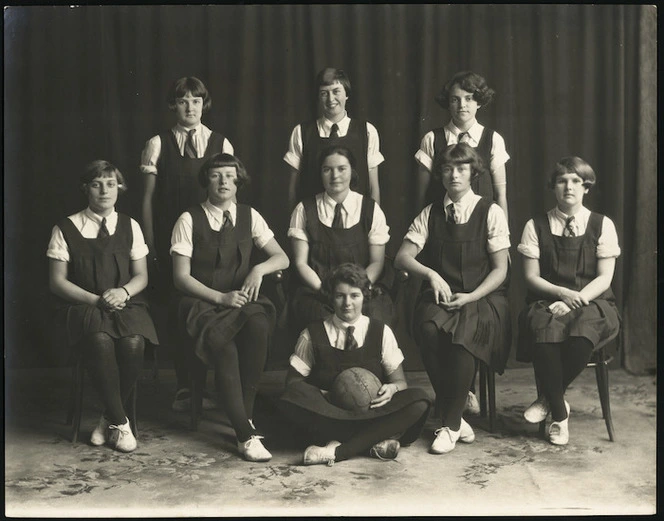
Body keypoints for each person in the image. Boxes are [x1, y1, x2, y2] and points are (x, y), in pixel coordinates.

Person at [171, 153, 289, 462]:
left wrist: (258, 270)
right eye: (215, 175)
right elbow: (181, 278)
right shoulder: (188, 219)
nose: (224, 181)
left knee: (260, 323)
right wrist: (219, 298)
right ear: (206, 181)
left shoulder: (250, 216)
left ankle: (244, 416)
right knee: (224, 345)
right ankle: (244, 435)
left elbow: (282, 257)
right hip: (201, 302)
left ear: (239, 181)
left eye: (229, 175)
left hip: (240, 299)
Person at [395, 143, 511, 455]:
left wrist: (472, 295)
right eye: (447, 168)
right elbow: (402, 257)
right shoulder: (430, 213)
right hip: (443, 297)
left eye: (461, 168)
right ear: (440, 174)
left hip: (483, 297)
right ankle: (455, 413)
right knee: (428, 328)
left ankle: (449, 424)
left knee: (464, 336)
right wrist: (431, 275)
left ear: (474, 173)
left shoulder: (490, 211)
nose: (454, 174)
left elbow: (501, 270)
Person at [48, 160, 159, 453]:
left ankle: (107, 419)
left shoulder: (130, 225)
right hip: (83, 305)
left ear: (119, 188)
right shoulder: (66, 227)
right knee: (99, 340)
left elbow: (142, 276)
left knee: (134, 343)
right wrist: (96, 299)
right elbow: (57, 282)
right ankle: (122, 424)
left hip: (126, 303)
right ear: (86, 189)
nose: (104, 190)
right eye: (97, 184)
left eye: (111, 184)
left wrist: (123, 292)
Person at [140, 76, 234, 412]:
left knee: (211, 310)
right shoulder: (158, 144)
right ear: (173, 106)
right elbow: (148, 200)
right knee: (180, 311)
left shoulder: (220, 143)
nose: (190, 107)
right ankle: (185, 386)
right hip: (172, 242)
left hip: (211, 241)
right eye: (183, 100)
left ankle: (215, 386)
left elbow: (228, 198)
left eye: (196, 100)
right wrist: (151, 246)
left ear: (204, 104)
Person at [280, 263, 431, 465]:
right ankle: (374, 440)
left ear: (365, 296)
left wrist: (392, 388)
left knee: (420, 399)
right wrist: (325, 394)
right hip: (331, 413)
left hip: (372, 412)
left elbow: (400, 382)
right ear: (331, 297)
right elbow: (293, 384)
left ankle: (338, 450)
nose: (347, 303)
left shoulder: (381, 331)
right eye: (340, 296)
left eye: (354, 295)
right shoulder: (312, 333)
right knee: (291, 397)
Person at [517, 157, 621, 446]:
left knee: (581, 335)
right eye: (562, 180)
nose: (569, 186)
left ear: (586, 187)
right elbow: (531, 277)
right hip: (548, 299)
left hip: (594, 302)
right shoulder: (535, 225)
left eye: (576, 181)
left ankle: (548, 399)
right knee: (543, 329)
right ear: (553, 187)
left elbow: (604, 278)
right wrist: (562, 294)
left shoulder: (602, 224)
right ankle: (560, 416)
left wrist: (577, 299)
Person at [288, 145, 394, 334]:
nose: (334, 175)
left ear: (352, 172)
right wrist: (326, 291)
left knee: (375, 319)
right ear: (320, 173)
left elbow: (377, 262)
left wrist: (356, 292)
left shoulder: (370, 209)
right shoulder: (304, 209)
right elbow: (301, 263)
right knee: (320, 325)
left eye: (341, 169)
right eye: (327, 169)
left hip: (363, 291)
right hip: (318, 291)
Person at [415, 71, 509, 222]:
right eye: (455, 99)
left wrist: (503, 237)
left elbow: (500, 194)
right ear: (448, 103)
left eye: (469, 99)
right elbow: (422, 195)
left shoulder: (493, 140)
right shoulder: (432, 139)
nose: (462, 105)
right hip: (441, 224)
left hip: (481, 225)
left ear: (479, 102)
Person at [284, 67, 385, 209]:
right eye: (324, 93)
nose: (331, 99)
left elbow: (374, 187)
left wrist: (372, 224)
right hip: (314, 221)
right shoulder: (301, 132)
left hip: (356, 221)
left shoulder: (367, 131)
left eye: (336, 91)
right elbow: (293, 188)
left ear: (346, 94)